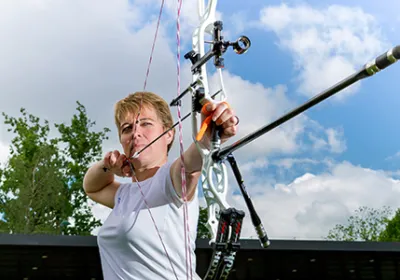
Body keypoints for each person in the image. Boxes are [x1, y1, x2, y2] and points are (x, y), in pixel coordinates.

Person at [83, 91, 239, 280]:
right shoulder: (125, 194)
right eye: (127, 128)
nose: (135, 133)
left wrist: (209, 137)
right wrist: (107, 165)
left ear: (168, 134)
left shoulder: (168, 180)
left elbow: (189, 167)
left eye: (146, 124)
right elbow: (91, 187)